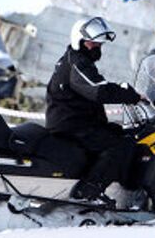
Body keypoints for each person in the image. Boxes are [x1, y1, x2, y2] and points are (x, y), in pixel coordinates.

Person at [45, 16, 144, 200]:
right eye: (93, 43)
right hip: (71, 125)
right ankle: (88, 191)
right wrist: (132, 95)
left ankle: (122, 189)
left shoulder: (73, 59)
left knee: (121, 132)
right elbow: (99, 90)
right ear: (79, 41)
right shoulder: (78, 63)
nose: (97, 47)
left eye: (99, 44)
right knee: (120, 146)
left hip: (75, 120)